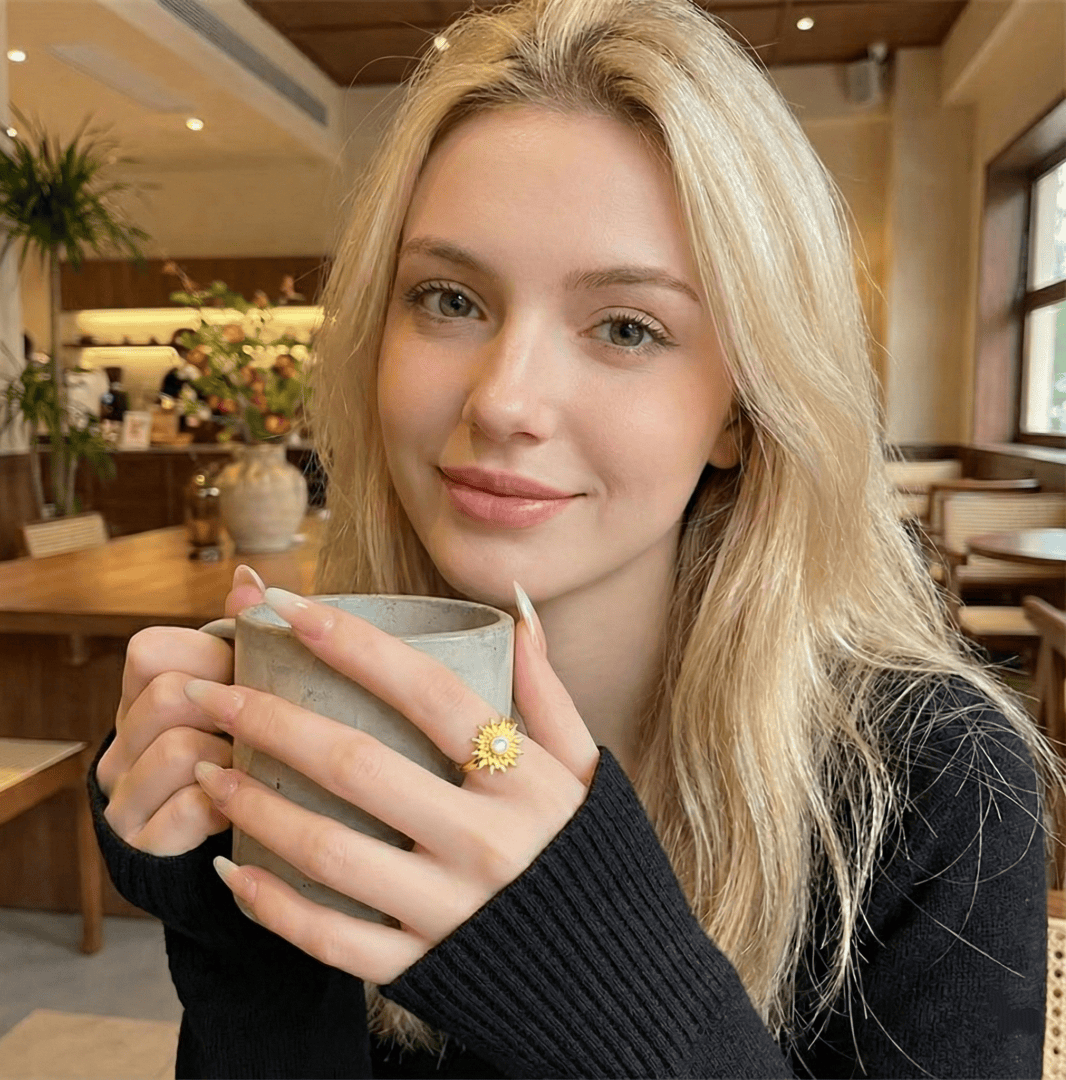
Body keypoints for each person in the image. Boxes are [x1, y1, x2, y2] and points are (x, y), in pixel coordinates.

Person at [88, 0, 1058, 1076]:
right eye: (449, 298)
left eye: (628, 327)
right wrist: (235, 921)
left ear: (741, 409)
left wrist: (612, 987)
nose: (504, 401)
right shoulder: (324, 720)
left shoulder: (938, 779)